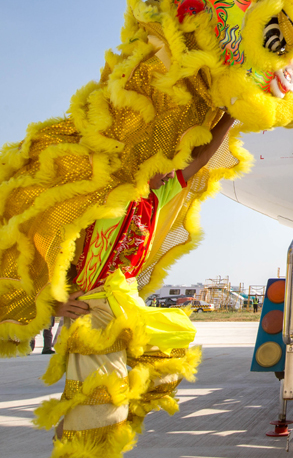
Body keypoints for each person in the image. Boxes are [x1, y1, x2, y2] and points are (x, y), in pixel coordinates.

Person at [46, 112, 235, 451]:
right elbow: (46, 245)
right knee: (101, 406)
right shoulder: (97, 196)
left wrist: (231, 116)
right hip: (93, 311)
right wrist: (53, 303)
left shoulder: (156, 196)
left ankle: (75, 437)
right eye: (165, 162)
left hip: (129, 307)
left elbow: (201, 158)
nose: (172, 170)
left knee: (164, 366)